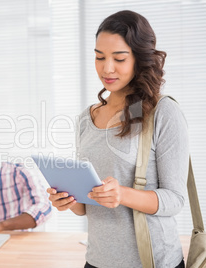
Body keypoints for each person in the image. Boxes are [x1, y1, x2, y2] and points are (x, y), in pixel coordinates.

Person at [47, 10, 188, 268]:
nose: (106, 68)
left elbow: (175, 199)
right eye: (99, 57)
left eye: (119, 58)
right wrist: (69, 201)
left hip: (152, 262)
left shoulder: (162, 112)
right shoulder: (86, 118)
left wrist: (122, 194)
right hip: (97, 260)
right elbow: (88, 205)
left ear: (140, 59)